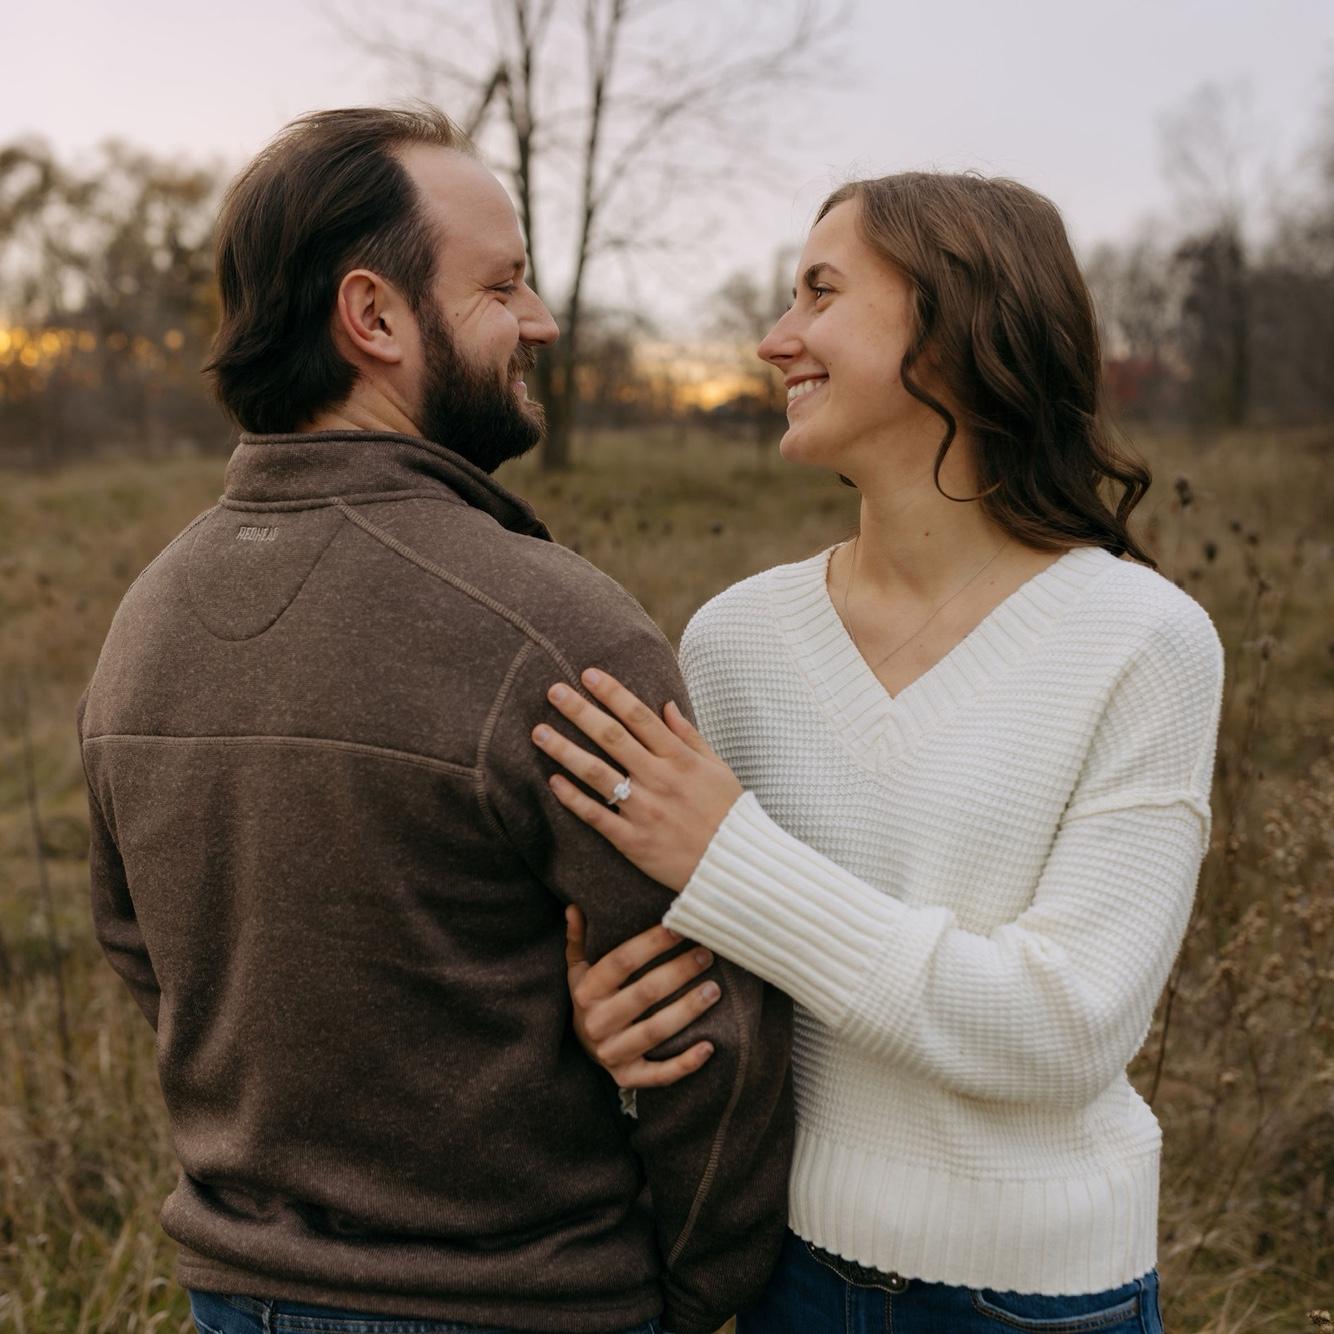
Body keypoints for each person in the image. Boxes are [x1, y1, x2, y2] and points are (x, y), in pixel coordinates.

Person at [77, 104, 792, 1334]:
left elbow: (147, 956)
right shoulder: (556, 632)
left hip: (233, 1294)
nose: (540, 320)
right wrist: (685, 1290)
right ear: (374, 316)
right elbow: (703, 1036)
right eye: (502, 284)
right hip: (519, 1302)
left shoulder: (143, 620)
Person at [530, 171, 1224, 1333]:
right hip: (775, 1272)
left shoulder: (1142, 640)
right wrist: (612, 1025)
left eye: (818, 292)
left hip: (1035, 1299)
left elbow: (1064, 1029)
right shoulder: (736, 638)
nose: (773, 338)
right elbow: (723, 982)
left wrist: (731, 856)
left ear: (949, 328)